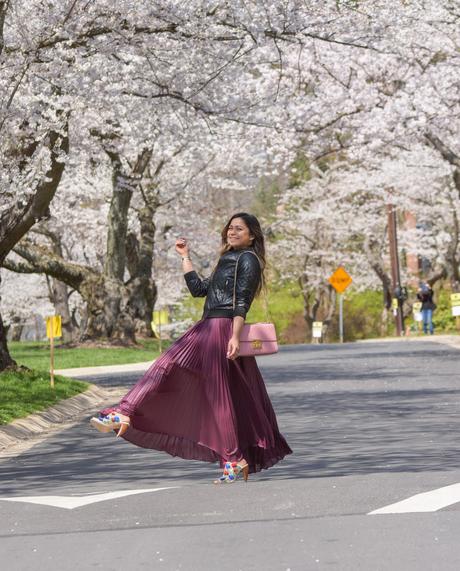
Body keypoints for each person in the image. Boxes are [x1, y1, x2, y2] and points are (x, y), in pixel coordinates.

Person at [90, 212, 292, 483]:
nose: (232, 232)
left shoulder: (248, 260)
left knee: (203, 387)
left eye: (239, 229)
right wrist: (184, 256)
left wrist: (234, 336)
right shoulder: (227, 258)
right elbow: (199, 289)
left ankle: (124, 412)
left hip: (221, 330)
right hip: (208, 326)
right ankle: (232, 458)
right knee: (209, 391)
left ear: (252, 235)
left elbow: (241, 301)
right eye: (230, 228)